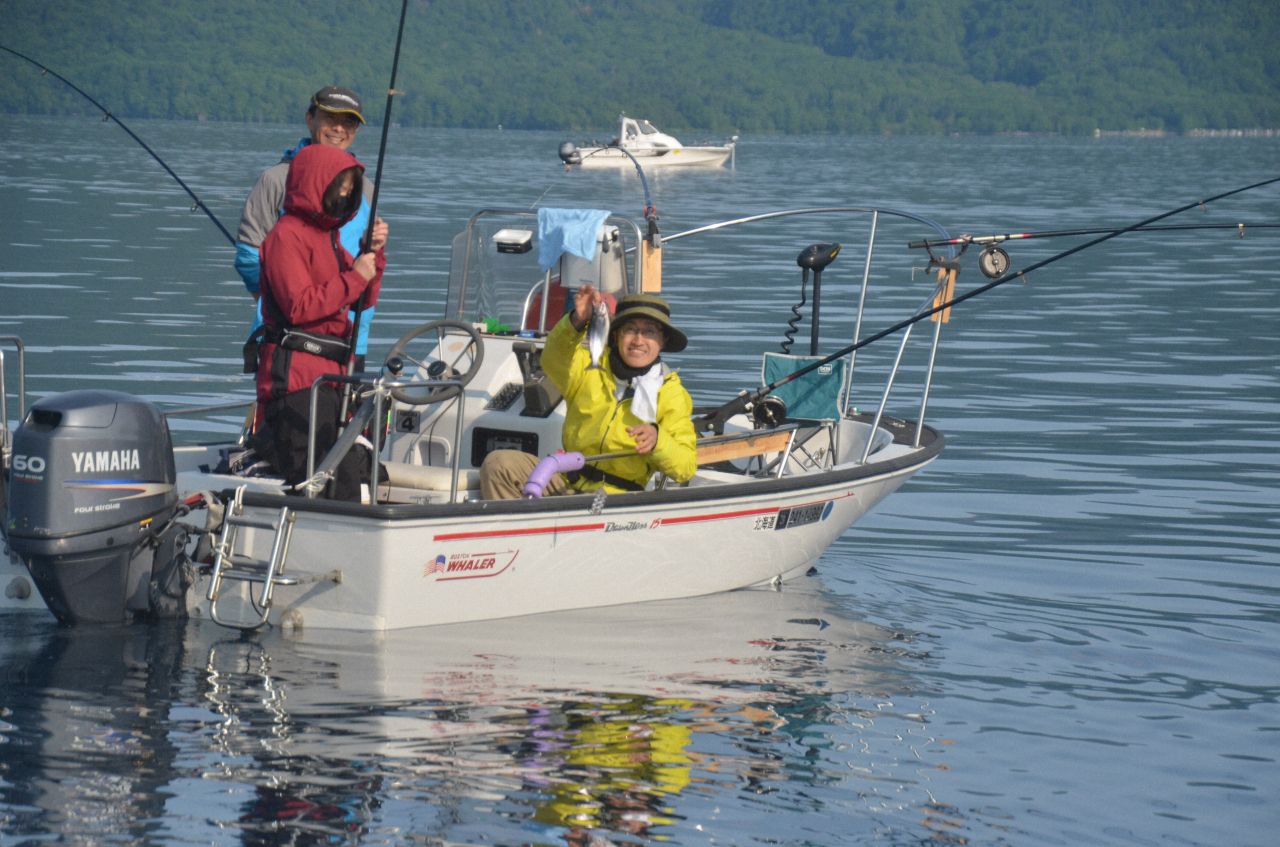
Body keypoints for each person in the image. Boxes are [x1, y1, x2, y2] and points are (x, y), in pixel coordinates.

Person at [254, 143, 386, 501]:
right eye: (339, 185)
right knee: (322, 476)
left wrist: (370, 254)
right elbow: (299, 306)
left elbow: (360, 301)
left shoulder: (328, 239)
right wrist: (356, 276)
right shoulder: (287, 236)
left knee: (349, 471)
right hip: (297, 382)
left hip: (331, 379)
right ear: (315, 184)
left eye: (349, 187)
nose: (345, 194)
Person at [480, 286, 697, 499]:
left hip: (616, 497)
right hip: (564, 479)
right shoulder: (588, 365)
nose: (638, 340)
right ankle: (522, 532)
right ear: (616, 335)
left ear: (663, 340)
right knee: (499, 465)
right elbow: (552, 357)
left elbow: (685, 467)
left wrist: (658, 439)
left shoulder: (671, 393)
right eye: (630, 329)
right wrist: (576, 320)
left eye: (649, 331)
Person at [235, 86, 385, 370]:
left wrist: (376, 250)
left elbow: (367, 262)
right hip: (290, 336)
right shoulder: (276, 179)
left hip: (352, 336)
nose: (339, 128)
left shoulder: (365, 187)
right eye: (330, 118)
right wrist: (276, 300)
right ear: (309, 119)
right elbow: (248, 254)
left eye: (349, 122)